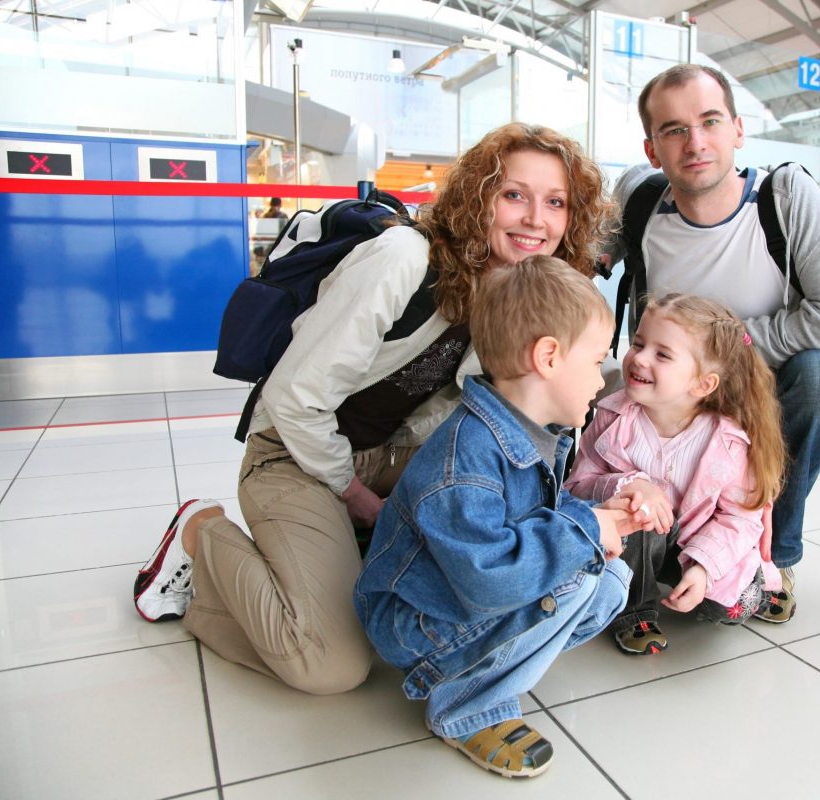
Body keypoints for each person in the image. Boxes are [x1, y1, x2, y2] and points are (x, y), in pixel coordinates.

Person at [132, 123, 614, 696]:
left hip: (403, 453)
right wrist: (354, 495)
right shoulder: (403, 259)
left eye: (555, 202)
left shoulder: (525, 295)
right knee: (331, 664)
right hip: (296, 452)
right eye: (514, 194)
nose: (537, 219)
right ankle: (201, 536)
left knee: (423, 614)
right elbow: (295, 399)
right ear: (477, 198)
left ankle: (338, 562)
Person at [354, 256, 644, 778]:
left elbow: (538, 519)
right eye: (597, 360)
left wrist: (596, 521)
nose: (602, 381)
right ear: (549, 357)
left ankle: (487, 666)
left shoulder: (536, 432)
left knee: (610, 581)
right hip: (415, 625)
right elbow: (490, 579)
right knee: (578, 577)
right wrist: (586, 532)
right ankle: (466, 709)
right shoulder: (464, 461)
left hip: (456, 602)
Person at [610, 64, 820, 624]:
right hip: (670, 395)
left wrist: (722, 351)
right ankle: (636, 547)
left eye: (710, 121)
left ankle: (775, 556)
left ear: (738, 130)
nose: (695, 142)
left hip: (762, 388)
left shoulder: (784, 197)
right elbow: (574, 254)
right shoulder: (640, 202)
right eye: (674, 130)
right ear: (653, 150)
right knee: (596, 388)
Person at [566, 293, 787, 654]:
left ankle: (757, 585)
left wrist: (702, 567)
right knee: (636, 513)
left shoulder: (729, 441)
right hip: (637, 542)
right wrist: (628, 485)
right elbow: (576, 486)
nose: (639, 358)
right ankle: (634, 611)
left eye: (662, 354)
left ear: (703, 384)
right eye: (638, 343)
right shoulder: (611, 417)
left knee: (728, 609)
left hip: (699, 542)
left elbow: (739, 519)